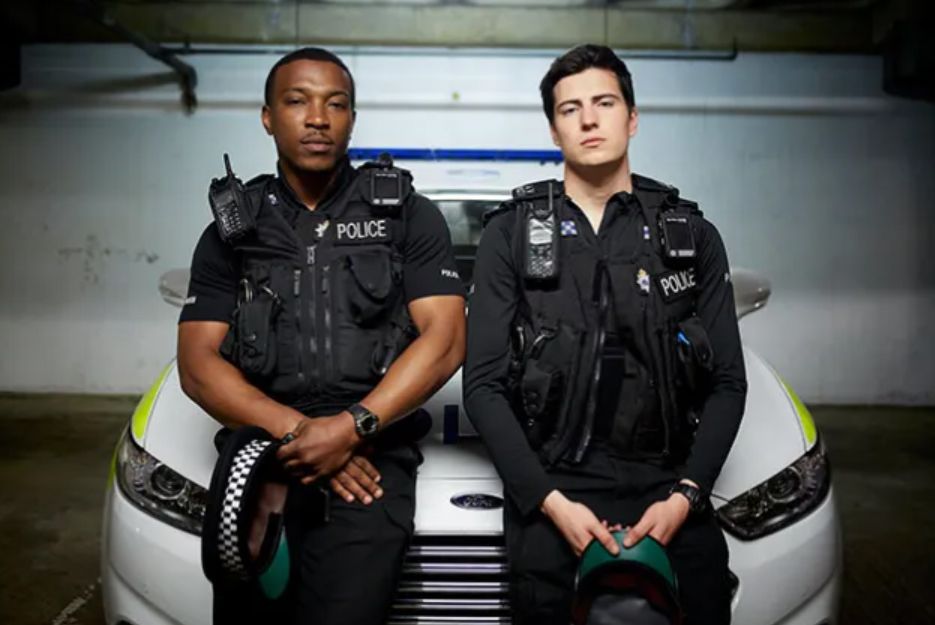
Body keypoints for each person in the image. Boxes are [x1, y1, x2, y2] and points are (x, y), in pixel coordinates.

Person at [177, 47, 466, 625]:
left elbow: (445, 340)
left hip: (371, 462)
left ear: (352, 119)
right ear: (267, 116)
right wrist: (305, 434)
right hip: (258, 455)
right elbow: (196, 363)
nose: (317, 118)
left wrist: (351, 427)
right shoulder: (232, 229)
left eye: (336, 104)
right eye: (297, 101)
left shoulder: (407, 215)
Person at [463, 44, 747, 625]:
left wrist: (685, 496)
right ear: (553, 128)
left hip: (669, 487)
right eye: (570, 109)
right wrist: (549, 503)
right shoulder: (510, 235)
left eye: (604, 102)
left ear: (632, 117)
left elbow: (727, 384)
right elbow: (484, 386)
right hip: (552, 495)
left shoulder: (690, 235)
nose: (588, 119)